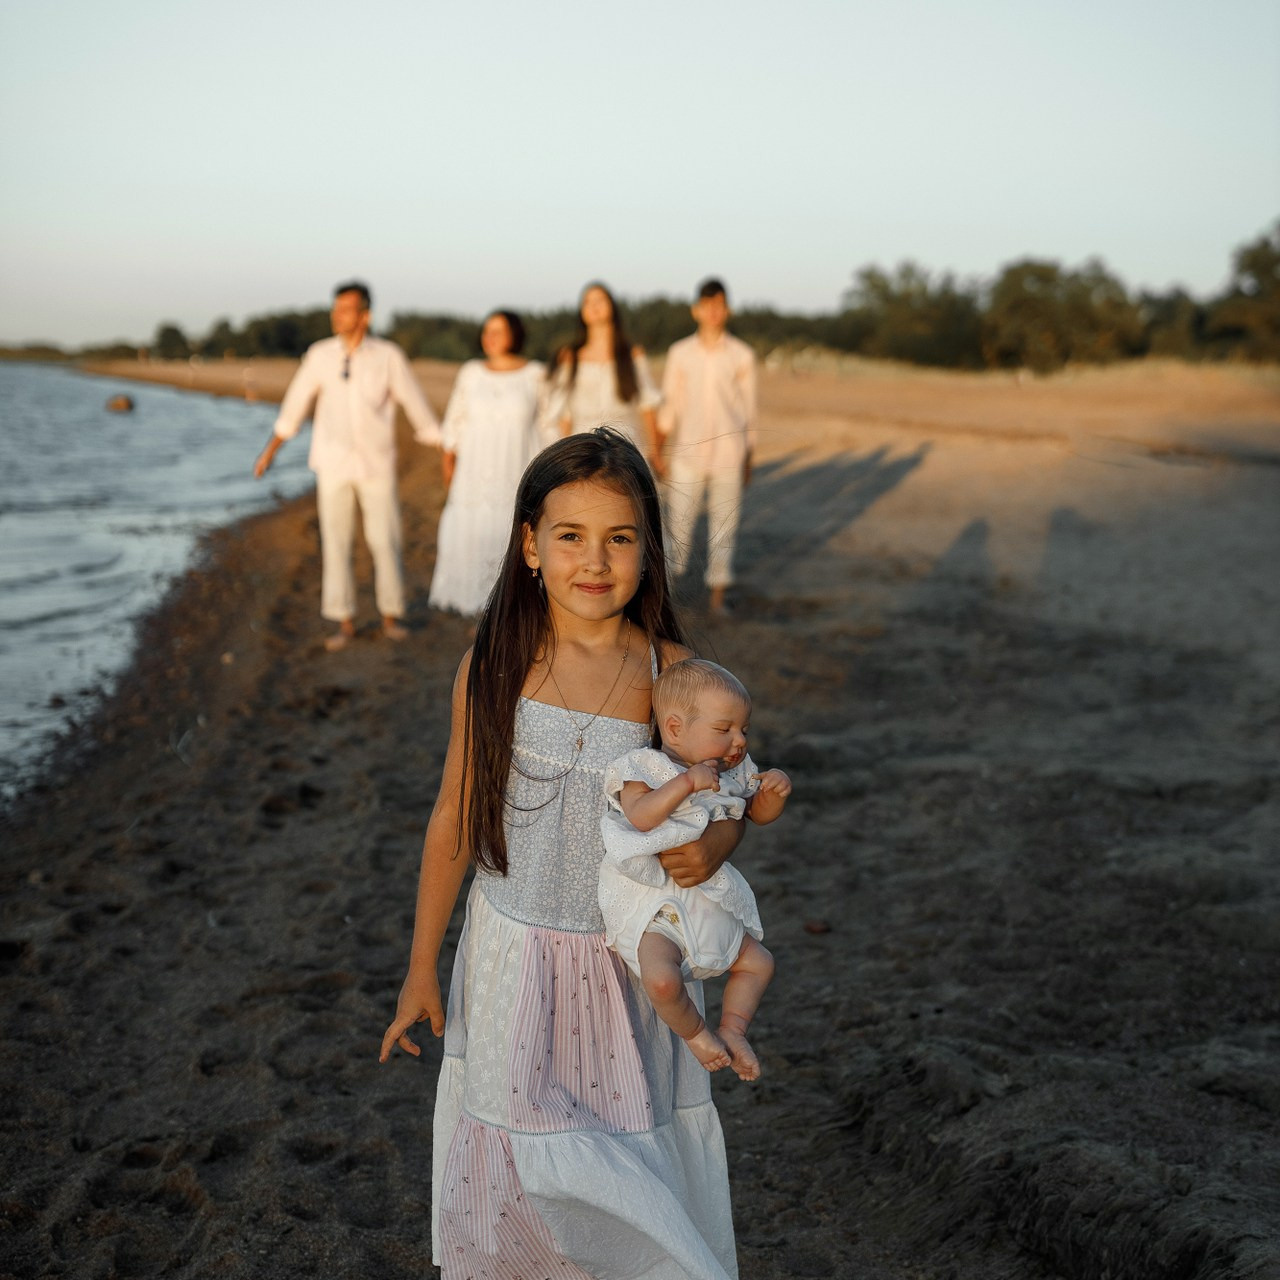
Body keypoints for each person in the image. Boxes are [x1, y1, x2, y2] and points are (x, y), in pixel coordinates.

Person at [380, 428, 744, 1280]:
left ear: (648, 552)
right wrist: (421, 968)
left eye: (620, 538)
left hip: (628, 962)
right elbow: (454, 818)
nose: (595, 560)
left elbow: (727, 798)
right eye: (571, 535)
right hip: (513, 953)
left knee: (622, 1161)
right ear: (530, 545)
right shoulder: (496, 662)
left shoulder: (674, 676)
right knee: (524, 1162)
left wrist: (718, 841)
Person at [599, 658, 788, 1081]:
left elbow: (755, 814)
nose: (739, 741)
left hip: (707, 900)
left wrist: (772, 795)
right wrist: (685, 783)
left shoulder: (733, 772)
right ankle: (697, 1035)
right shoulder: (644, 768)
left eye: (744, 729)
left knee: (759, 963)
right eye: (725, 729)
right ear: (675, 728)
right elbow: (640, 817)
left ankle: (734, 1029)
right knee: (662, 982)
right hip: (654, 907)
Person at [253, 280, 442, 651]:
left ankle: (390, 617)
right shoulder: (319, 355)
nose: (336, 315)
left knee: (385, 539)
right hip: (333, 463)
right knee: (336, 542)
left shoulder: (388, 356)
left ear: (364, 315)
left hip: (376, 464)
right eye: (335, 308)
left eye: (345, 309)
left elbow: (415, 403)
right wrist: (271, 450)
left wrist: (443, 442)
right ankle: (344, 621)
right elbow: (296, 403)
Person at [427, 309, 545, 617]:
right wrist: (448, 465)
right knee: (472, 534)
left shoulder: (536, 374)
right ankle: (477, 610)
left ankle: (511, 608)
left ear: (514, 334)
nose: (489, 337)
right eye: (486, 330)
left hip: (516, 472)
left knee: (511, 538)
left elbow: (549, 427)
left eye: (498, 331)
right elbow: (454, 424)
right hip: (473, 476)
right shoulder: (471, 372)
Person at [658, 277, 758, 615]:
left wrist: (749, 456)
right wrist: (659, 448)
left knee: (724, 526)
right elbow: (670, 404)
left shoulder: (742, 355)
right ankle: (665, 598)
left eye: (719, 306)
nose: (713, 312)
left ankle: (717, 598)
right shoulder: (680, 353)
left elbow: (749, 410)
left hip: (730, 453)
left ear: (727, 310)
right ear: (696, 310)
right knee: (678, 524)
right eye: (707, 306)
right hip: (687, 452)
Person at [546, 280, 663, 470]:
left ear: (612, 307)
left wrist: (655, 452)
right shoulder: (570, 357)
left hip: (626, 446)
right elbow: (565, 414)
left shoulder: (632, 355)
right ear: (582, 312)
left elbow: (647, 406)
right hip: (583, 448)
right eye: (587, 302)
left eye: (600, 300)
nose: (594, 306)